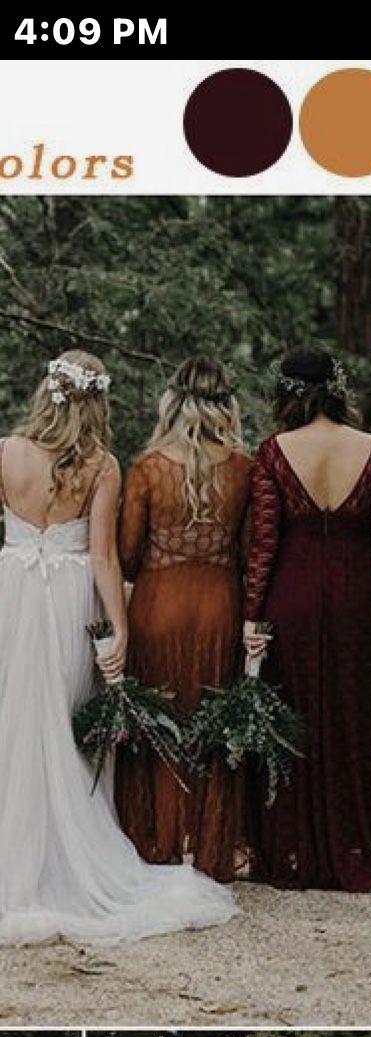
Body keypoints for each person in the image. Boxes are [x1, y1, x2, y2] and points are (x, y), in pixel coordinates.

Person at [0, 349, 237, 943]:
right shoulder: (102, 467)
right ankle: (55, 859)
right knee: (59, 718)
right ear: (97, 401)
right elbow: (103, 557)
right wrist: (120, 629)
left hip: (11, 587)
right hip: (67, 600)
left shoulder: (7, 451)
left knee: (14, 720)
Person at [244, 348, 371, 891]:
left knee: (297, 710)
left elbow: (263, 544)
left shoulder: (273, 452)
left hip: (293, 588)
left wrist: (251, 615)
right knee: (356, 711)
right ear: (339, 390)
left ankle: (293, 849)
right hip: (357, 590)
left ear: (286, 394)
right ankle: (357, 842)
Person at [116, 356, 251, 881]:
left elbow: (128, 556)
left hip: (158, 604)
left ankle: (157, 843)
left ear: (171, 400)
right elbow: (246, 553)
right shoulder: (244, 468)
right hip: (219, 603)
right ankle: (212, 847)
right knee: (212, 722)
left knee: (160, 720)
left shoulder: (148, 467)